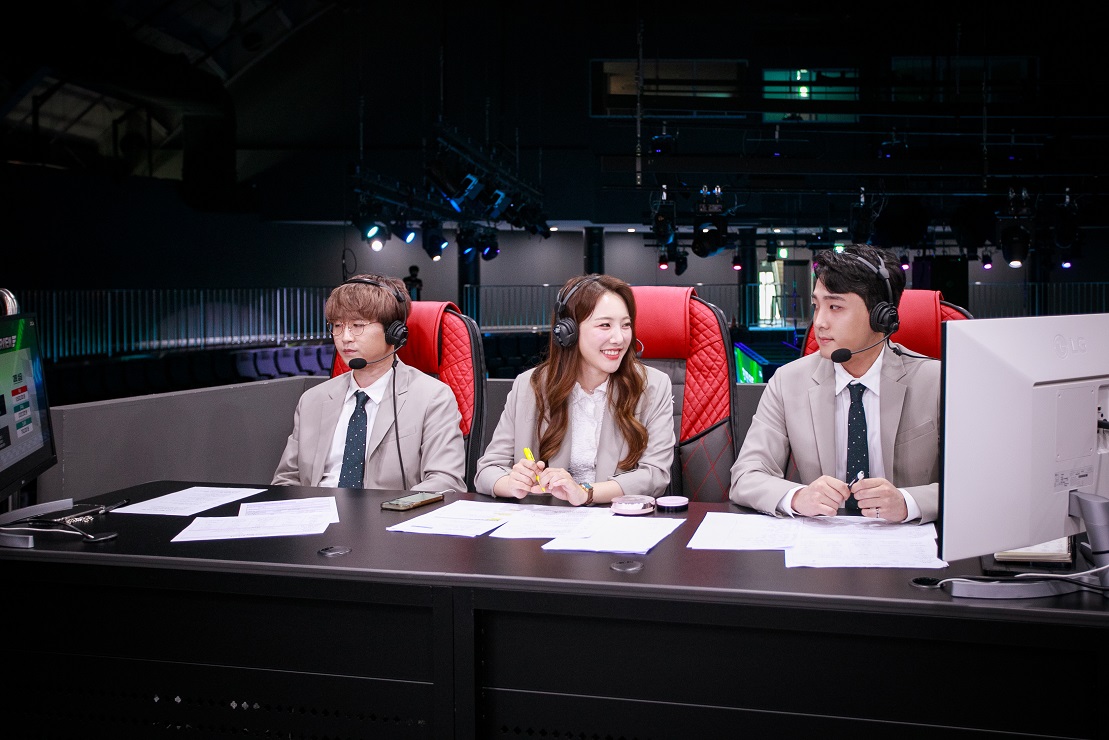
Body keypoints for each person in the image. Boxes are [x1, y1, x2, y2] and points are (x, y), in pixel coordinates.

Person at [729, 245, 940, 523]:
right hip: (821, 541)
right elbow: (746, 476)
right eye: (817, 306)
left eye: (835, 307)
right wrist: (797, 497)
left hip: (911, 540)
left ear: (881, 316)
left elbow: (975, 483)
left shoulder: (937, 382)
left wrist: (909, 502)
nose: (819, 322)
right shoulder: (788, 381)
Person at [475, 274, 675, 505]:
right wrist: (512, 483)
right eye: (605, 325)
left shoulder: (653, 386)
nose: (619, 338)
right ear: (568, 331)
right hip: (545, 520)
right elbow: (487, 471)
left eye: (626, 325)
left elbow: (655, 476)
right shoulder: (529, 385)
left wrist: (584, 492)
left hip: (617, 519)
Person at [272, 273, 465, 492]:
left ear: (393, 332)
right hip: (316, 509)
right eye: (337, 326)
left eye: (357, 325)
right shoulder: (312, 400)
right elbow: (285, 481)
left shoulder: (432, 397)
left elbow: (446, 482)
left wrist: (392, 509)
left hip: (391, 510)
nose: (345, 337)